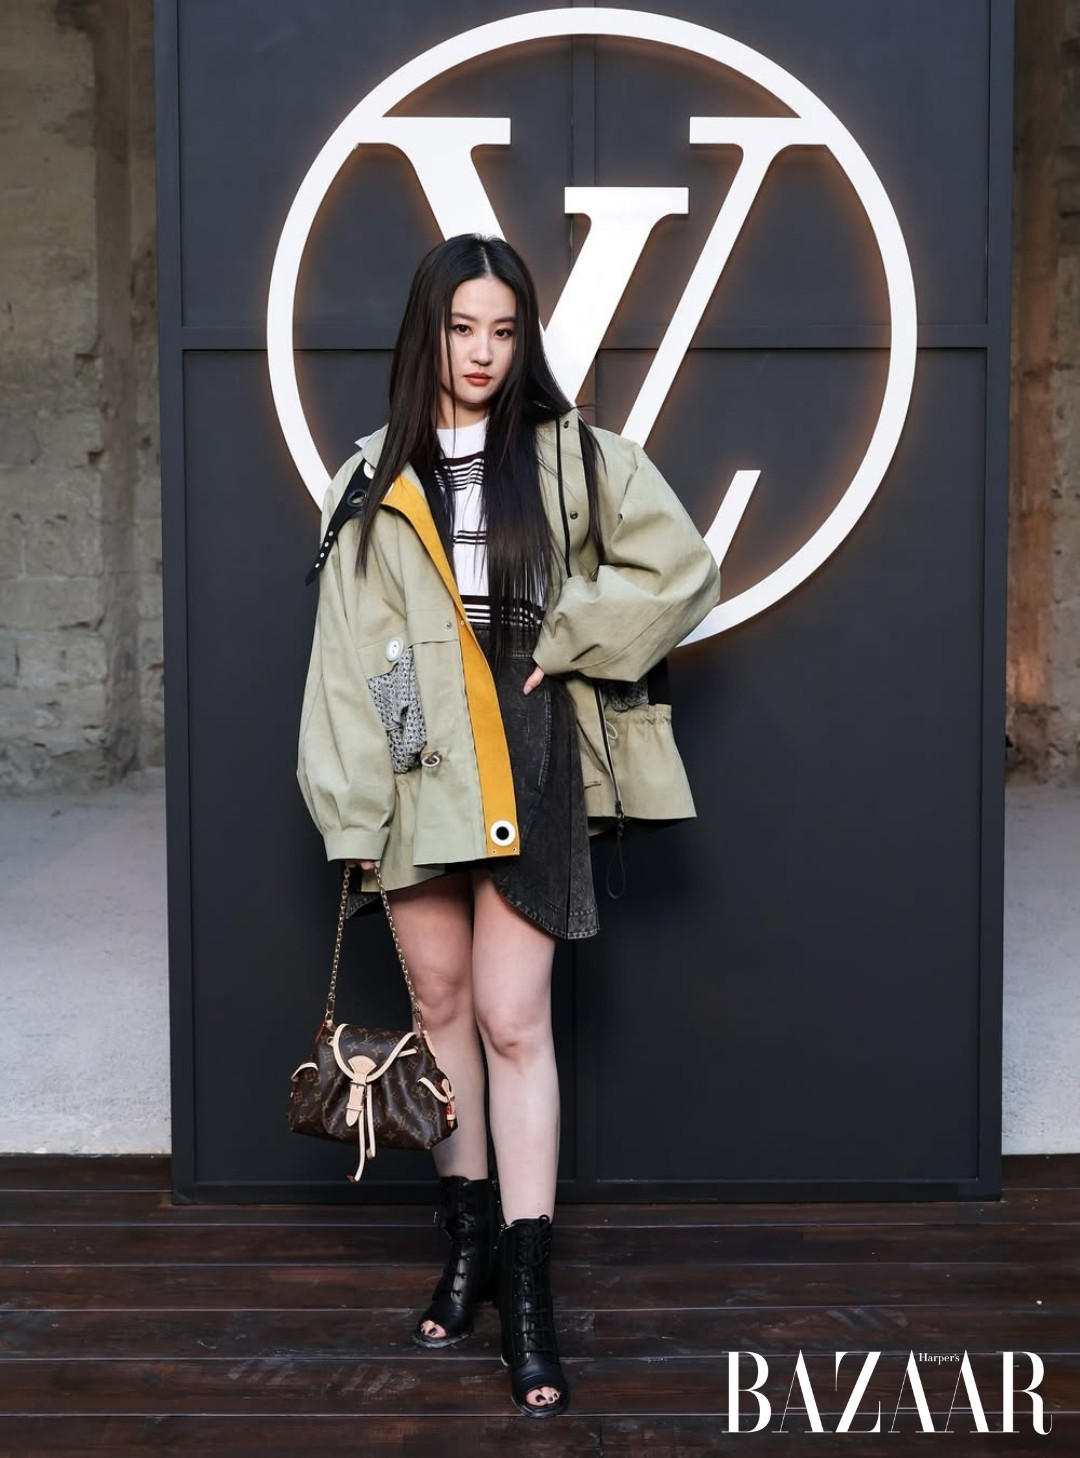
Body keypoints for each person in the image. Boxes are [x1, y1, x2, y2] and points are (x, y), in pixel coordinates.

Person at [296, 233, 720, 1418]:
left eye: (502, 329)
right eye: (461, 328)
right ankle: (468, 1247)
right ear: (426, 334)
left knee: (512, 1019)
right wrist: (358, 800)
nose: (482, 352)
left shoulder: (572, 457)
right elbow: (353, 658)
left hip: (528, 759)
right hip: (415, 761)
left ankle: (527, 1294)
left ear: (522, 336)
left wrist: (570, 638)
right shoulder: (369, 476)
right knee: (438, 1013)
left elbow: (682, 568)